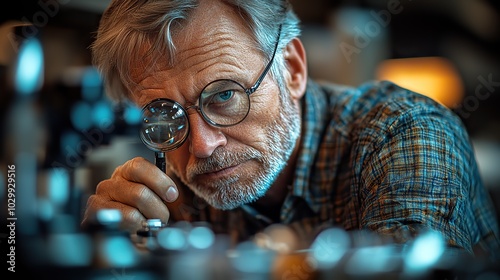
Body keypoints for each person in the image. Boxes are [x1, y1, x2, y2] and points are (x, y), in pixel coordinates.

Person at [81, 0, 500, 260]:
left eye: (225, 96)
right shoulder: (165, 204)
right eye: (165, 116)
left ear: (293, 69)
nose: (203, 147)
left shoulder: (405, 137)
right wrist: (103, 260)